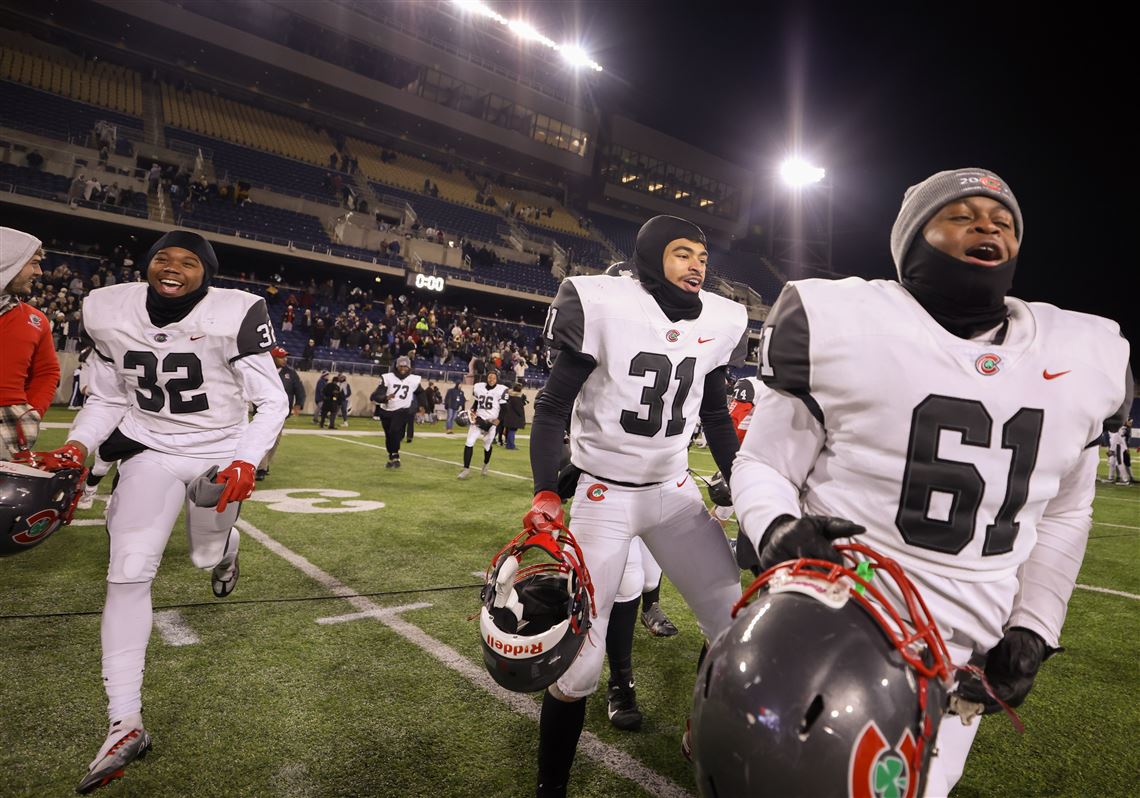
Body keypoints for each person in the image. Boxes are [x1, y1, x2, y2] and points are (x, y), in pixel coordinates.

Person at [729, 168, 1132, 797]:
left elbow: (1065, 512)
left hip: (966, 644)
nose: (987, 226)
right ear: (913, 239)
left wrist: (1035, 626)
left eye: (1003, 221)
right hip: (839, 607)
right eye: (962, 214)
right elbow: (763, 464)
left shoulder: (1082, 354)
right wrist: (776, 527)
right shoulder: (847, 321)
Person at [36, 230, 288, 793]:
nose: (173, 268)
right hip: (149, 445)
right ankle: (124, 720)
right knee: (127, 572)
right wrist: (80, 446)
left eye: (188, 262)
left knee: (202, 555)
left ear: (207, 273)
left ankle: (226, 548)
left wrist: (248, 458)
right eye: (162, 259)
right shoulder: (107, 308)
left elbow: (273, 398)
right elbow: (104, 397)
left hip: (219, 449)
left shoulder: (237, 312)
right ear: (147, 264)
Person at [522, 215, 748, 796]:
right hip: (602, 496)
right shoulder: (602, 302)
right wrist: (547, 491)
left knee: (735, 624)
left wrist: (744, 479)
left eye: (702, 254)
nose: (697, 264)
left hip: (673, 492)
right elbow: (550, 409)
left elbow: (717, 416)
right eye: (682, 253)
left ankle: (702, 728)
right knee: (578, 668)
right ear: (650, 257)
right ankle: (552, 787)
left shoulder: (722, 318)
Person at [0, 228, 59, 460]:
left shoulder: (36, 319)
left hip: (8, 425)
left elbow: (47, 372)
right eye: (33, 263)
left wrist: (30, 414)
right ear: (8, 261)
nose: (39, 271)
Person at [256, 346, 306, 480]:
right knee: (264, 438)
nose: (285, 359)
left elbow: (299, 389)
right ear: (273, 358)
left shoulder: (290, 373)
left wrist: (298, 404)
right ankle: (261, 468)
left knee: (274, 441)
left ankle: (264, 465)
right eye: (281, 357)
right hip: (264, 411)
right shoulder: (264, 372)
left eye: (285, 357)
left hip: (282, 412)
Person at [457, 368, 508, 479]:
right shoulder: (479, 387)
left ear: (497, 379)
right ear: (487, 377)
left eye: (494, 377)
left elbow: (504, 409)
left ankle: (485, 463)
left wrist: (498, 421)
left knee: (487, 445)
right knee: (469, 442)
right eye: (490, 377)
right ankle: (466, 469)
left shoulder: (501, 390)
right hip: (478, 420)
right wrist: (472, 411)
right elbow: (476, 403)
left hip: (491, 422)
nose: (491, 379)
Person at [372, 356, 421, 468]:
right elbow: (376, 395)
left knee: (395, 431)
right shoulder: (387, 377)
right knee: (389, 435)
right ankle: (392, 456)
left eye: (405, 366)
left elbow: (420, 393)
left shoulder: (413, 379)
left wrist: (423, 407)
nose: (403, 368)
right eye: (401, 366)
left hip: (403, 410)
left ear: (409, 367)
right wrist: (385, 398)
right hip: (386, 410)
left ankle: (395, 456)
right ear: (396, 366)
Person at [501, 382, 528, 449]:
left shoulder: (509, 396)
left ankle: (508, 444)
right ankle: (511, 445)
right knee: (512, 431)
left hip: (508, 416)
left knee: (509, 430)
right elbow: (519, 410)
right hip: (514, 417)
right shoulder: (518, 398)